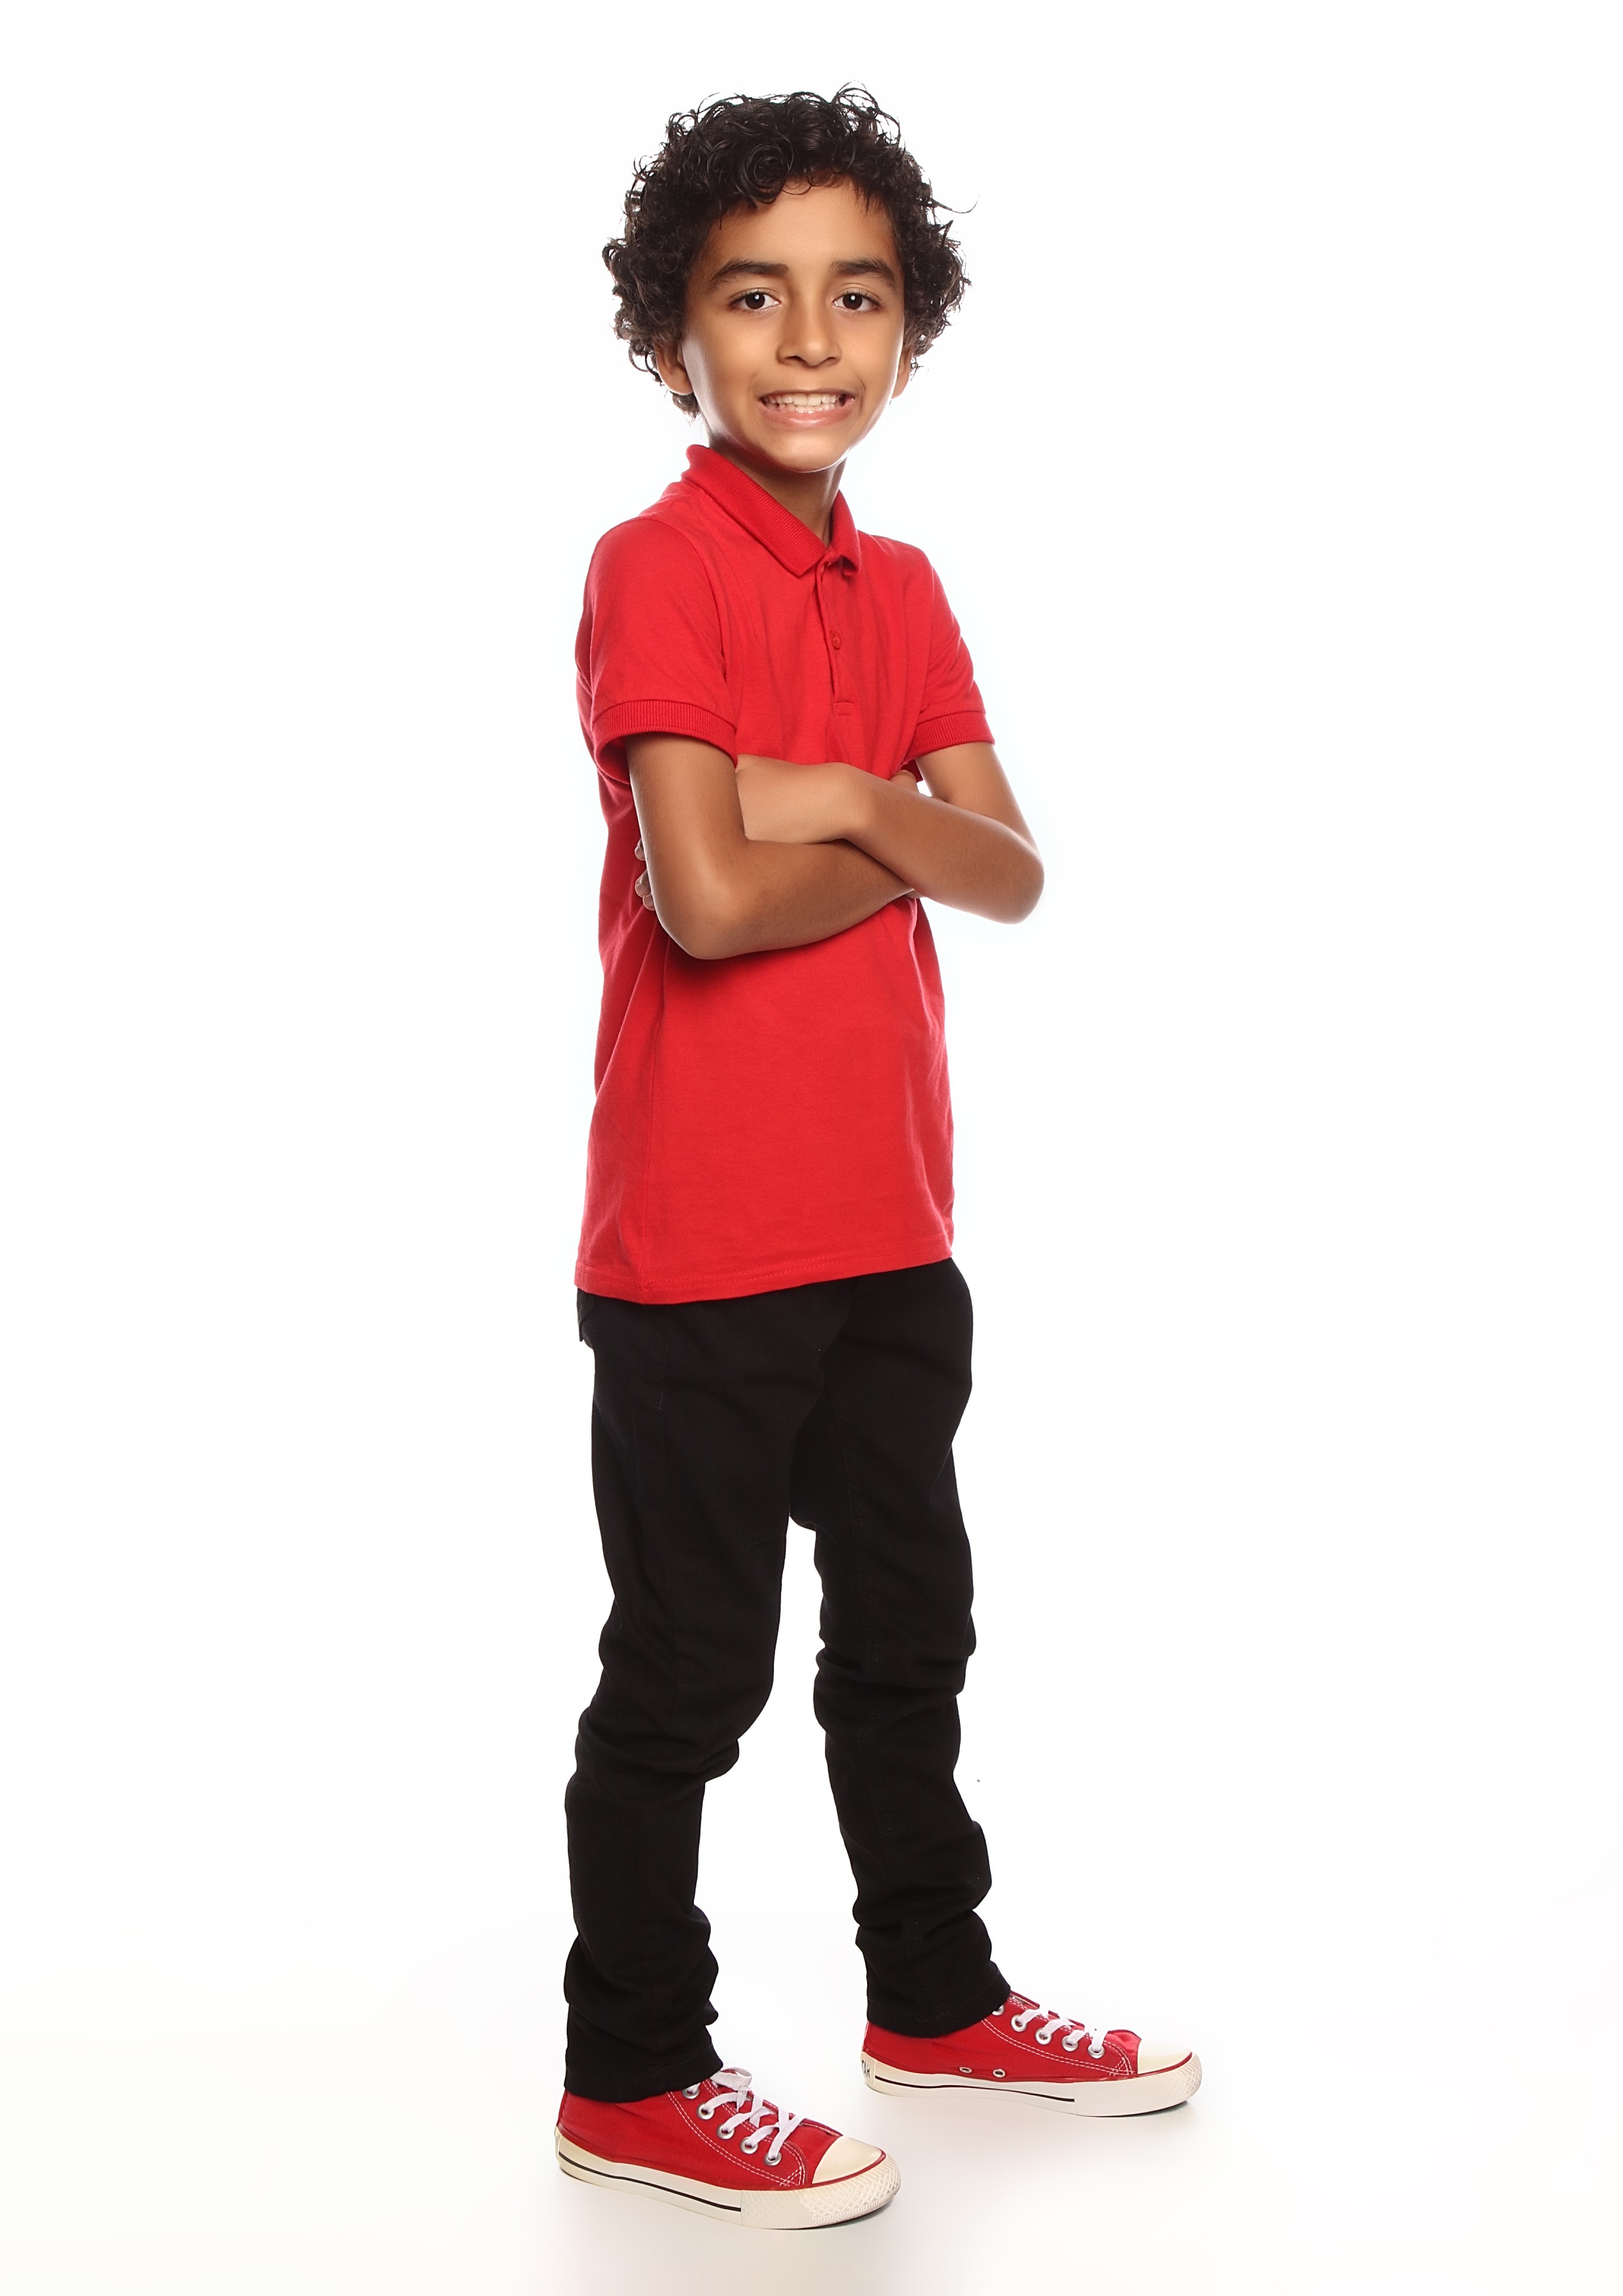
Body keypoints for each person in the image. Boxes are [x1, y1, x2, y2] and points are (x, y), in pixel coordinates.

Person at [555, 86, 1200, 2231]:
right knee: (690, 1674)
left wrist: (827, 793)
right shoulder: (655, 566)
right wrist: (883, 821)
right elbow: (705, 900)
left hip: (890, 1232)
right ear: (668, 337)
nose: (810, 339)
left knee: (910, 1636)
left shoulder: (902, 588)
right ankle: (632, 2071)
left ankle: (934, 1997)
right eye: (754, 297)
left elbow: (1009, 874)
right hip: (700, 1250)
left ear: (910, 335)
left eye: (857, 297)